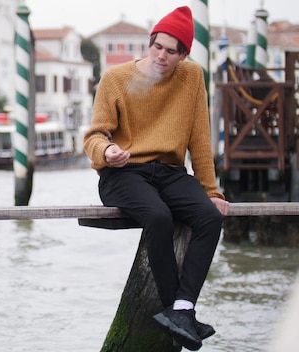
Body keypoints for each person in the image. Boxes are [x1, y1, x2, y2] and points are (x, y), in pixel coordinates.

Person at [83, 6, 230, 351]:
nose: (162, 56)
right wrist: (107, 153)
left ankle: (182, 308)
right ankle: (174, 310)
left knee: (210, 217)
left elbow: (200, 140)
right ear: (150, 44)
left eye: (171, 50)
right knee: (159, 217)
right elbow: (94, 136)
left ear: (184, 55)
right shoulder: (115, 79)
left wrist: (211, 190)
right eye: (158, 47)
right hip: (123, 173)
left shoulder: (192, 78)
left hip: (170, 172)